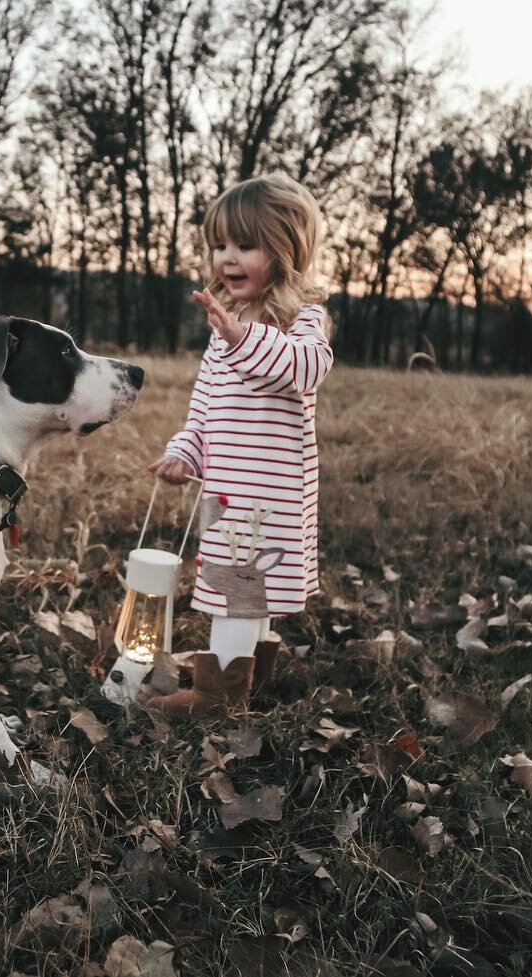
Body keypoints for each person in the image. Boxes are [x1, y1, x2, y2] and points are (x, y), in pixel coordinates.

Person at [145, 173, 334, 718]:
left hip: (270, 491)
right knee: (248, 591)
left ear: (284, 251)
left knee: (239, 590)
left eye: (244, 245)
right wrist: (185, 450)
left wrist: (241, 337)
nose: (226, 258)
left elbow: (305, 371)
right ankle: (250, 678)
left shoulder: (304, 320)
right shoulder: (222, 327)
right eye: (219, 245)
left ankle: (216, 699)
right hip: (228, 490)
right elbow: (205, 407)